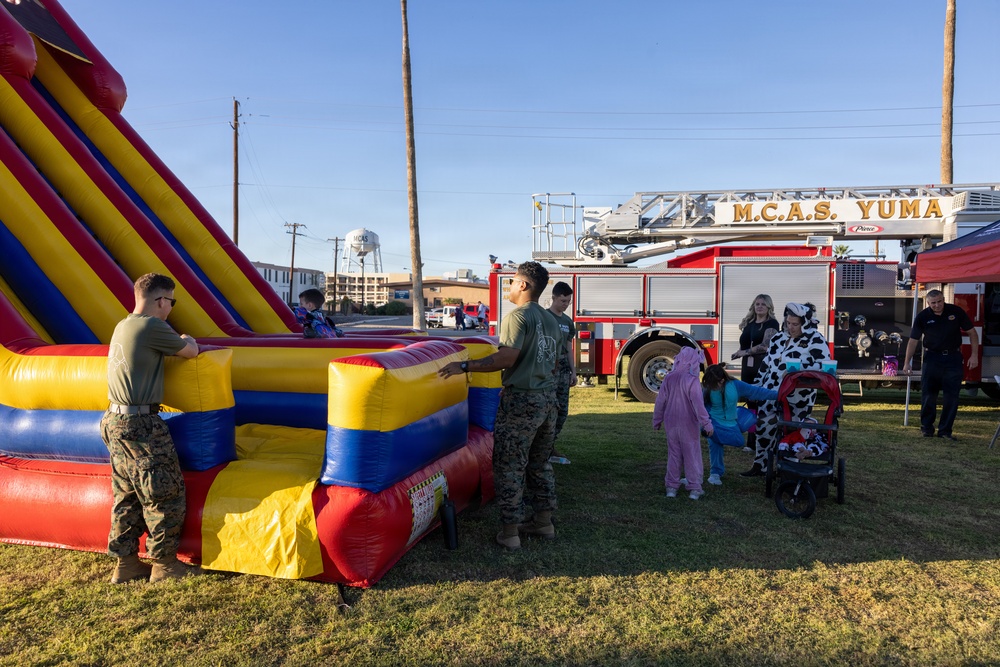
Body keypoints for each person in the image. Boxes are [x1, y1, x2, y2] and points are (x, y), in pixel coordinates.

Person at [438, 262, 561, 550]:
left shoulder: (517, 317)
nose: (509, 286)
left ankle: (510, 533)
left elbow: (506, 358)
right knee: (540, 463)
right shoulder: (551, 319)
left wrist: (465, 366)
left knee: (509, 466)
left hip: (522, 401)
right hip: (546, 399)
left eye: (513, 281)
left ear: (523, 285)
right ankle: (544, 522)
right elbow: (554, 362)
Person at [101, 273, 200, 584]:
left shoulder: (123, 325)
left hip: (114, 420)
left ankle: (126, 564)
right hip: (140, 423)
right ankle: (164, 564)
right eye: (171, 302)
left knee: (127, 494)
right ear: (160, 300)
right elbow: (190, 351)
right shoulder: (152, 326)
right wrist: (188, 340)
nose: (170, 308)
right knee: (164, 493)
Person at [742, 302, 831, 477]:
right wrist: (755, 388)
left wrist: (799, 370)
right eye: (788, 323)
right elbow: (766, 365)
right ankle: (761, 465)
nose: (791, 327)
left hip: (798, 397)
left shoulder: (815, 339)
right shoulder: (778, 338)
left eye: (795, 324)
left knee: (793, 431)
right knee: (763, 427)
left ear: (805, 323)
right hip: (770, 393)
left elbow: (824, 365)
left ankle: (789, 470)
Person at [902, 289, 979, 441]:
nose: (937, 305)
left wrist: (974, 355)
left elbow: (972, 333)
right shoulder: (923, 316)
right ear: (928, 303)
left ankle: (945, 431)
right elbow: (913, 341)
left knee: (952, 396)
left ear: (943, 299)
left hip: (953, 358)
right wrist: (907, 363)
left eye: (939, 301)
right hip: (932, 358)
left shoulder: (956, 311)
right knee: (929, 395)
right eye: (933, 303)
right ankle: (927, 428)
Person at [652, 347, 713, 500]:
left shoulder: (668, 378)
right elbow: (698, 404)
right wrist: (706, 423)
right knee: (691, 454)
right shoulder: (692, 380)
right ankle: (694, 488)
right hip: (688, 423)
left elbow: (660, 401)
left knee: (674, 454)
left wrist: (657, 419)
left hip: (671, 422)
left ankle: (671, 487)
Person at [701, 364, 777, 486]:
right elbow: (699, 406)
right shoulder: (707, 387)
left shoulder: (735, 385)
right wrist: (706, 423)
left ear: (722, 380)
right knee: (715, 443)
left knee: (739, 441)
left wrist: (779, 395)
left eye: (715, 384)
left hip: (731, 421)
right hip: (714, 421)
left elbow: (756, 392)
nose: (712, 386)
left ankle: (711, 434)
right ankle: (715, 473)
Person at [730, 294, 779, 452]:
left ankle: (765, 440)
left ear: (769, 307)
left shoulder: (772, 324)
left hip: (763, 367)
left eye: (763, 304)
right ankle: (751, 442)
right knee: (751, 402)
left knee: (762, 402)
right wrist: (739, 352)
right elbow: (745, 345)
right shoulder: (749, 323)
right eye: (757, 304)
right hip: (748, 367)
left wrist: (745, 352)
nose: (759, 307)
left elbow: (766, 346)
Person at [547, 282, 576, 465]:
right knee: (548, 409)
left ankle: (550, 445)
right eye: (563, 301)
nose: (565, 305)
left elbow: (568, 346)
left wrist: (574, 371)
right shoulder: (544, 317)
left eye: (568, 302)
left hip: (564, 368)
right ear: (554, 298)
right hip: (548, 368)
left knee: (562, 411)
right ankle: (542, 447)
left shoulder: (567, 322)